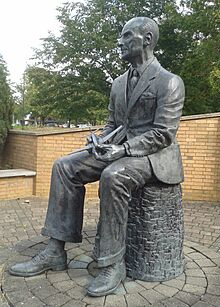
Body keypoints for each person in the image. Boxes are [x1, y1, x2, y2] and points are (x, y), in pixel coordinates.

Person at [9, 16, 185, 297]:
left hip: (154, 157)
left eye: (127, 36)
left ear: (147, 40)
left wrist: (124, 150)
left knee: (113, 176)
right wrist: (100, 141)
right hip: (118, 148)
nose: (120, 41)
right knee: (64, 166)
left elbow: (163, 134)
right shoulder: (117, 83)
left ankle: (112, 264)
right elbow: (113, 125)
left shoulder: (170, 82)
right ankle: (55, 250)